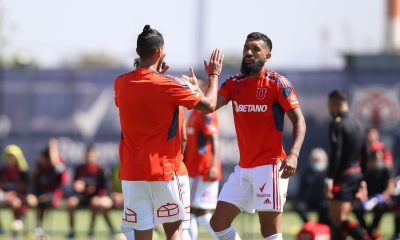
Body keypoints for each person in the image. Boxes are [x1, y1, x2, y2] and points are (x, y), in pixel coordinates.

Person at [114, 25, 223, 240]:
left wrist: (160, 80)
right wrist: (213, 76)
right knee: (174, 231)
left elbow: (145, 98)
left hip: (133, 172)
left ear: (139, 52)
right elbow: (210, 105)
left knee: (141, 234)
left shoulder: (120, 83)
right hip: (164, 171)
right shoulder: (169, 85)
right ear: (159, 53)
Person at [208, 32, 306, 240]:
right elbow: (208, 106)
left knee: (269, 231)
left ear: (267, 56)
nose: (249, 53)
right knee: (217, 223)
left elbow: (299, 120)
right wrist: (213, 77)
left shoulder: (277, 83)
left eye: (255, 49)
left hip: (270, 166)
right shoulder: (234, 83)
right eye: (246, 49)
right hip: (244, 168)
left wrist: (294, 154)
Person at [324, 90, 370, 240]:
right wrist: (363, 178)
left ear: (334, 103)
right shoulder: (359, 124)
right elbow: (366, 154)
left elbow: (336, 153)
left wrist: (329, 178)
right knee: (338, 223)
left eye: (329, 105)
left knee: (339, 220)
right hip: (355, 176)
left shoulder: (337, 123)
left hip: (341, 177)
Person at [184, 77, 221, 240]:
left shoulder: (205, 112)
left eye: (193, 86)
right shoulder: (194, 111)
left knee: (190, 210)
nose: (189, 89)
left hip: (201, 168)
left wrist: (213, 165)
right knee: (200, 212)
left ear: (203, 89)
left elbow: (214, 139)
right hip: (194, 168)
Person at [66, 145, 115, 239]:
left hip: (95, 197)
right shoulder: (79, 168)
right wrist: (77, 186)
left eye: (91, 155)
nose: (89, 157)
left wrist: (96, 191)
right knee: (71, 202)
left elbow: (105, 187)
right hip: (82, 196)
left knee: (95, 202)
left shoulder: (100, 169)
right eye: (87, 155)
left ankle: (91, 231)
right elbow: (75, 185)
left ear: (95, 156)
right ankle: (72, 231)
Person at [353, 141, 395, 239]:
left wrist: (382, 197)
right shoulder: (366, 170)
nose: (378, 156)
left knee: (381, 208)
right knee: (356, 208)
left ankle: (372, 230)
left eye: (380, 152)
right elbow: (361, 185)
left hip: (381, 199)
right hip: (367, 198)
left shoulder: (385, 170)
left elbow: (390, 186)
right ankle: (366, 231)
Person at [28, 138, 68, 237]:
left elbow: (57, 166)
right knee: (38, 201)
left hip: (53, 195)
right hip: (40, 196)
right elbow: (33, 185)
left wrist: (53, 148)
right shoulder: (39, 169)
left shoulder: (55, 168)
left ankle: (43, 230)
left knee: (44, 201)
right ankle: (39, 229)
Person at [293, 147, 330, 225]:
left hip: (323, 201)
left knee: (325, 207)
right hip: (309, 201)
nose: (317, 163)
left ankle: (322, 226)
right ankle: (309, 225)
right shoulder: (307, 173)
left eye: (319, 160)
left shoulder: (328, 173)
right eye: (315, 160)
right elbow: (302, 190)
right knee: (299, 206)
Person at [0, 145, 30, 235]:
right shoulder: (3, 171)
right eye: (9, 157)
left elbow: (23, 188)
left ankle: (17, 224)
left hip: (18, 197)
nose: (10, 159)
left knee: (15, 203)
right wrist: (4, 195)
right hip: (5, 196)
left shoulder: (23, 172)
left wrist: (13, 195)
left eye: (12, 157)